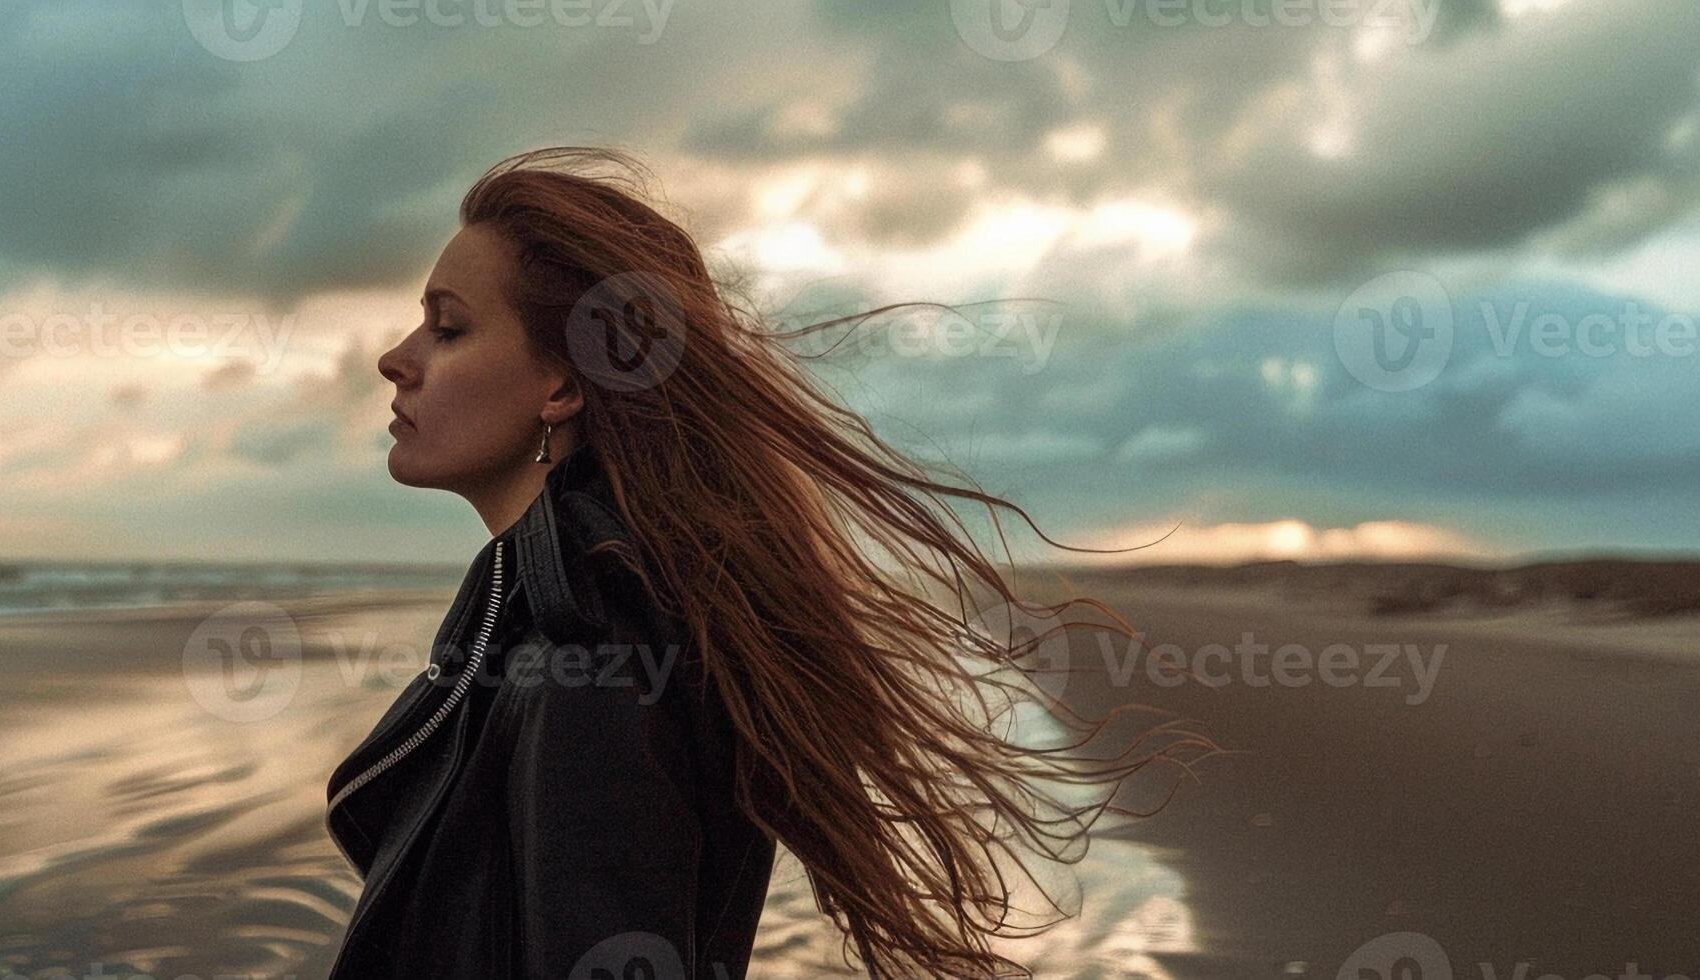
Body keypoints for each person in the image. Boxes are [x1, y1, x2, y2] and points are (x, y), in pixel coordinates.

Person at [325, 147, 1190, 978]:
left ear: (562, 386)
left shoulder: (587, 663)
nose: (395, 358)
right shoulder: (548, 617)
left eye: (447, 328)